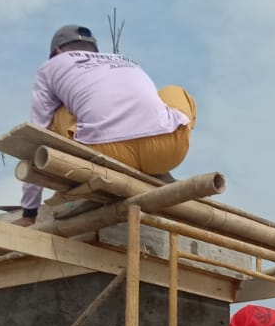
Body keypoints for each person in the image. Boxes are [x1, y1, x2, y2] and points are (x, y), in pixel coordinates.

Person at [14, 24, 197, 226]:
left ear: (57, 51)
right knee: (174, 91)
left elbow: (38, 132)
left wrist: (29, 212)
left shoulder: (50, 67)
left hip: (105, 152)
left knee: (57, 114)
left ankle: (81, 188)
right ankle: (158, 173)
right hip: (166, 150)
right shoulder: (124, 61)